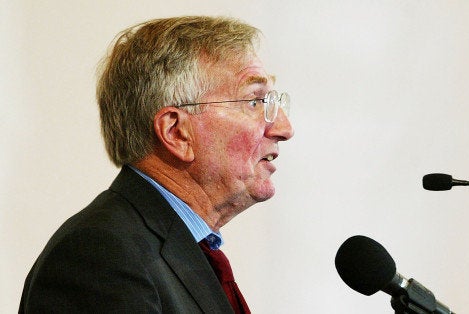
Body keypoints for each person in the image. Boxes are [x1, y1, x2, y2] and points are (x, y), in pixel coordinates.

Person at [19, 16, 294, 313]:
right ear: (176, 133)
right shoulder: (102, 257)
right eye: (255, 102)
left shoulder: (177, 249)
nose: (284, 127)